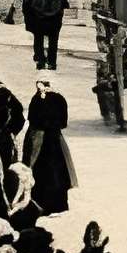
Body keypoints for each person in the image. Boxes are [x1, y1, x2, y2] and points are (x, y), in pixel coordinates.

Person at [23, 77, 79, 216]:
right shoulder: (60, 99)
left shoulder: (36, 99)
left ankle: (40, 204)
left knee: (39, 170)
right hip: (55, 139)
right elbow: (64, 123)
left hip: (40, 139)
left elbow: (32, 119)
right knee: (58, 170)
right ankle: (59, 204)